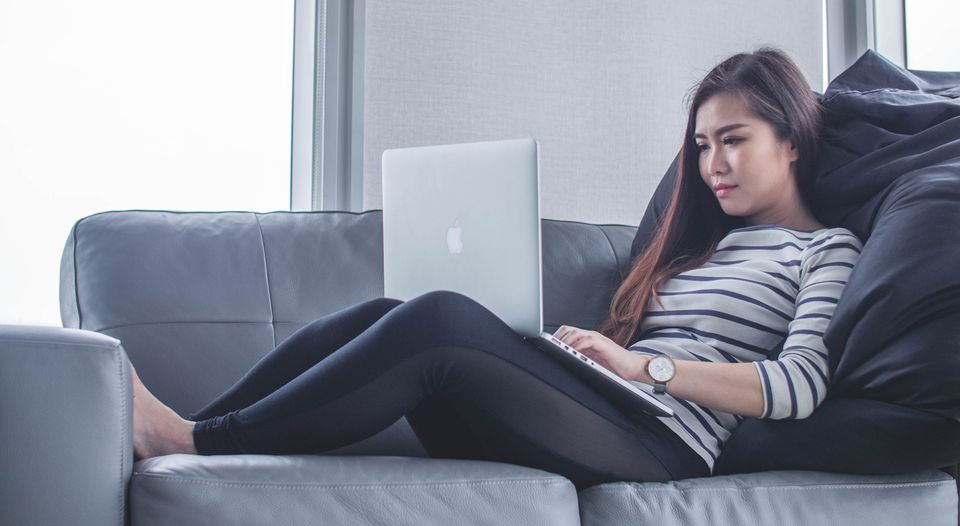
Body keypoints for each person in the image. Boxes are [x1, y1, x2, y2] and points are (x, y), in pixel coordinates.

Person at [131, 47, 863, 489]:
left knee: (441, 319)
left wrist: (646, 370)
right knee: (393, 313)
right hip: (604, 412)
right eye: (701, 146)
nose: (711, 165)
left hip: (666, 446)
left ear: (792, 139)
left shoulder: (825, 249)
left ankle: (192, 442)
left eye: (731, 140)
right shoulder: (701, 246)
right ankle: (195, 430)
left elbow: (799, 387)